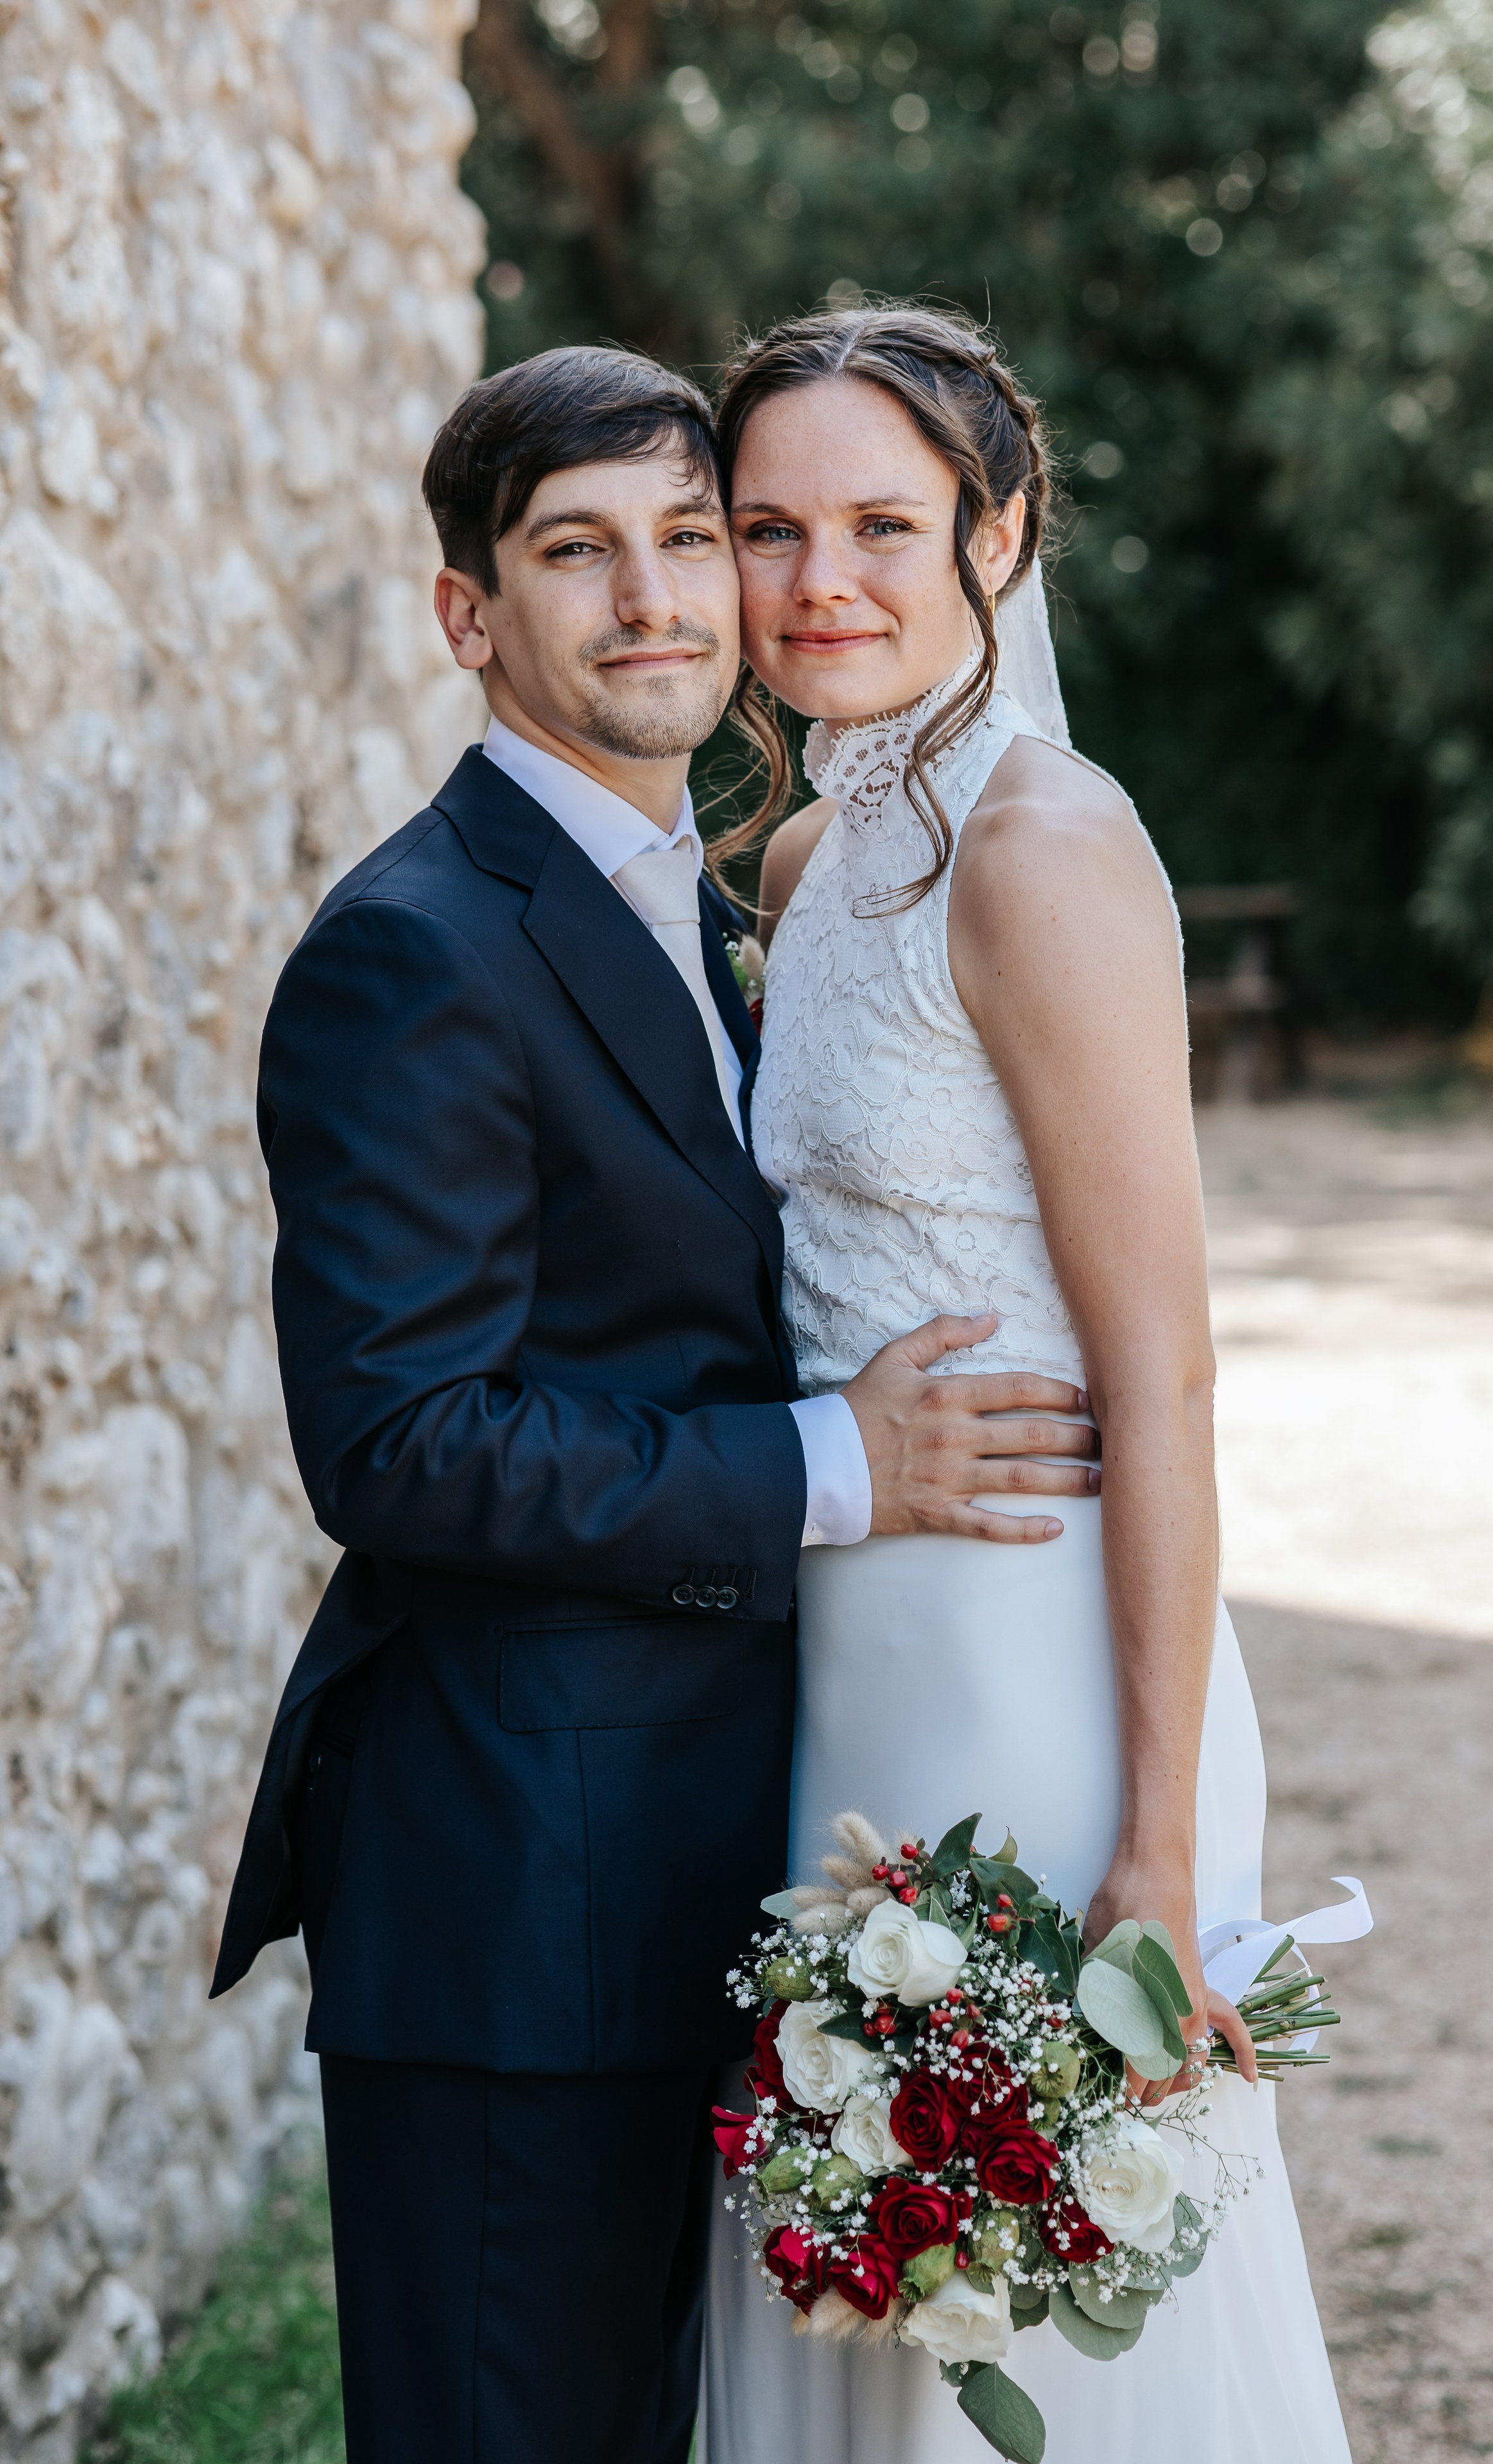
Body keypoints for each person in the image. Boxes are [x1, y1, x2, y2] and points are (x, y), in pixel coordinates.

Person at [207, 343, 1100, 2464]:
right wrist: (837, 1462)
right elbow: (400, 1441)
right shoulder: (417, 947)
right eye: (577, 555)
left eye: (691, 540)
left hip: (698, 1855)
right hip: (519, 1892)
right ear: (468, 615)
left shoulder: (701, 901)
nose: (658, 603)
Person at [699, 306, 1352, 2463]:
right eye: (769, 527)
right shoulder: (800, 859)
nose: (820, 584)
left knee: (1055, 2313)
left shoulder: (1045, 848)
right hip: (851, 1653)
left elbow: (1162, 1370)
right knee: (856, 2246)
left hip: (1040, 1667)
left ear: (999, 534)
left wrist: (1158, 1846)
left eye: (885, 522)